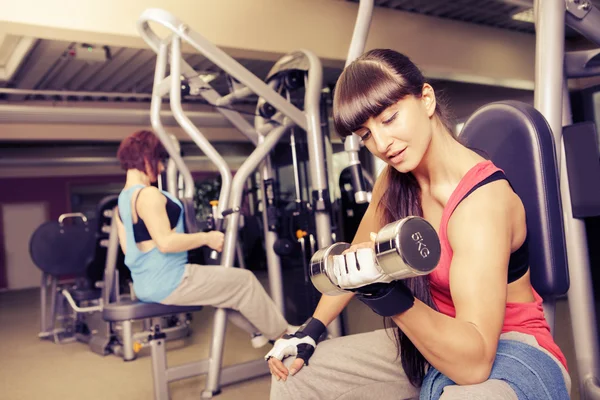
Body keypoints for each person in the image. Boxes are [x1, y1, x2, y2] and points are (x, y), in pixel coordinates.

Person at [266, 49, 571, 399]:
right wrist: (310, 331)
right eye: (365, 135)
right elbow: (354, 257)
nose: (381, 145)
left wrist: (385, 293)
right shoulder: (394, 179)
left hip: (508, 346)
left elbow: (474, 365)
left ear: (426, 99)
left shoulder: (481, 203)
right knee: (297, 375)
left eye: (389, 118)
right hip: (430, 334)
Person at [114, 129, 292, 347]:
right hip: (171, 281)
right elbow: (166, 243)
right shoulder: (148, 194)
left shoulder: (121, 203)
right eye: (159, 160)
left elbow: (128, 250)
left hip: (144, 285)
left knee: (229, 290)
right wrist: (206, 238)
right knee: (245, 282)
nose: (161, 168)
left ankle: (258, 332)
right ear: (146, 158)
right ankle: (285, 336)